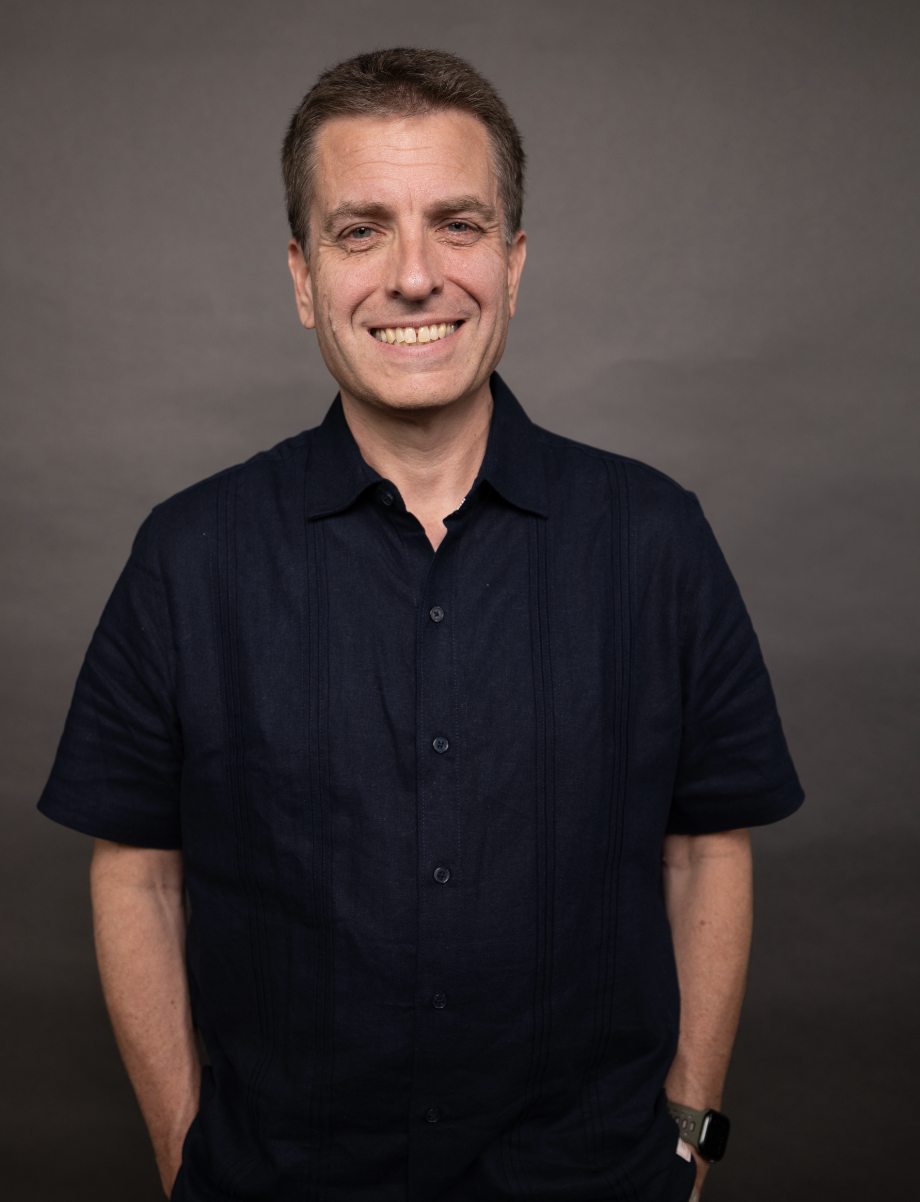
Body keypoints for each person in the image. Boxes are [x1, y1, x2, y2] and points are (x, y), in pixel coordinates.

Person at [38, 47, 803, 1202]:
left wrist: (688, 1130)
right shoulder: (189, 554)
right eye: (359, 231)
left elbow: (704, 849)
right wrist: (183, 1154)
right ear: (301, 277)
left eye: (455, 223)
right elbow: (137, 873)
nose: (413, 276)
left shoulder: (654, 537)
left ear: (512, 260)